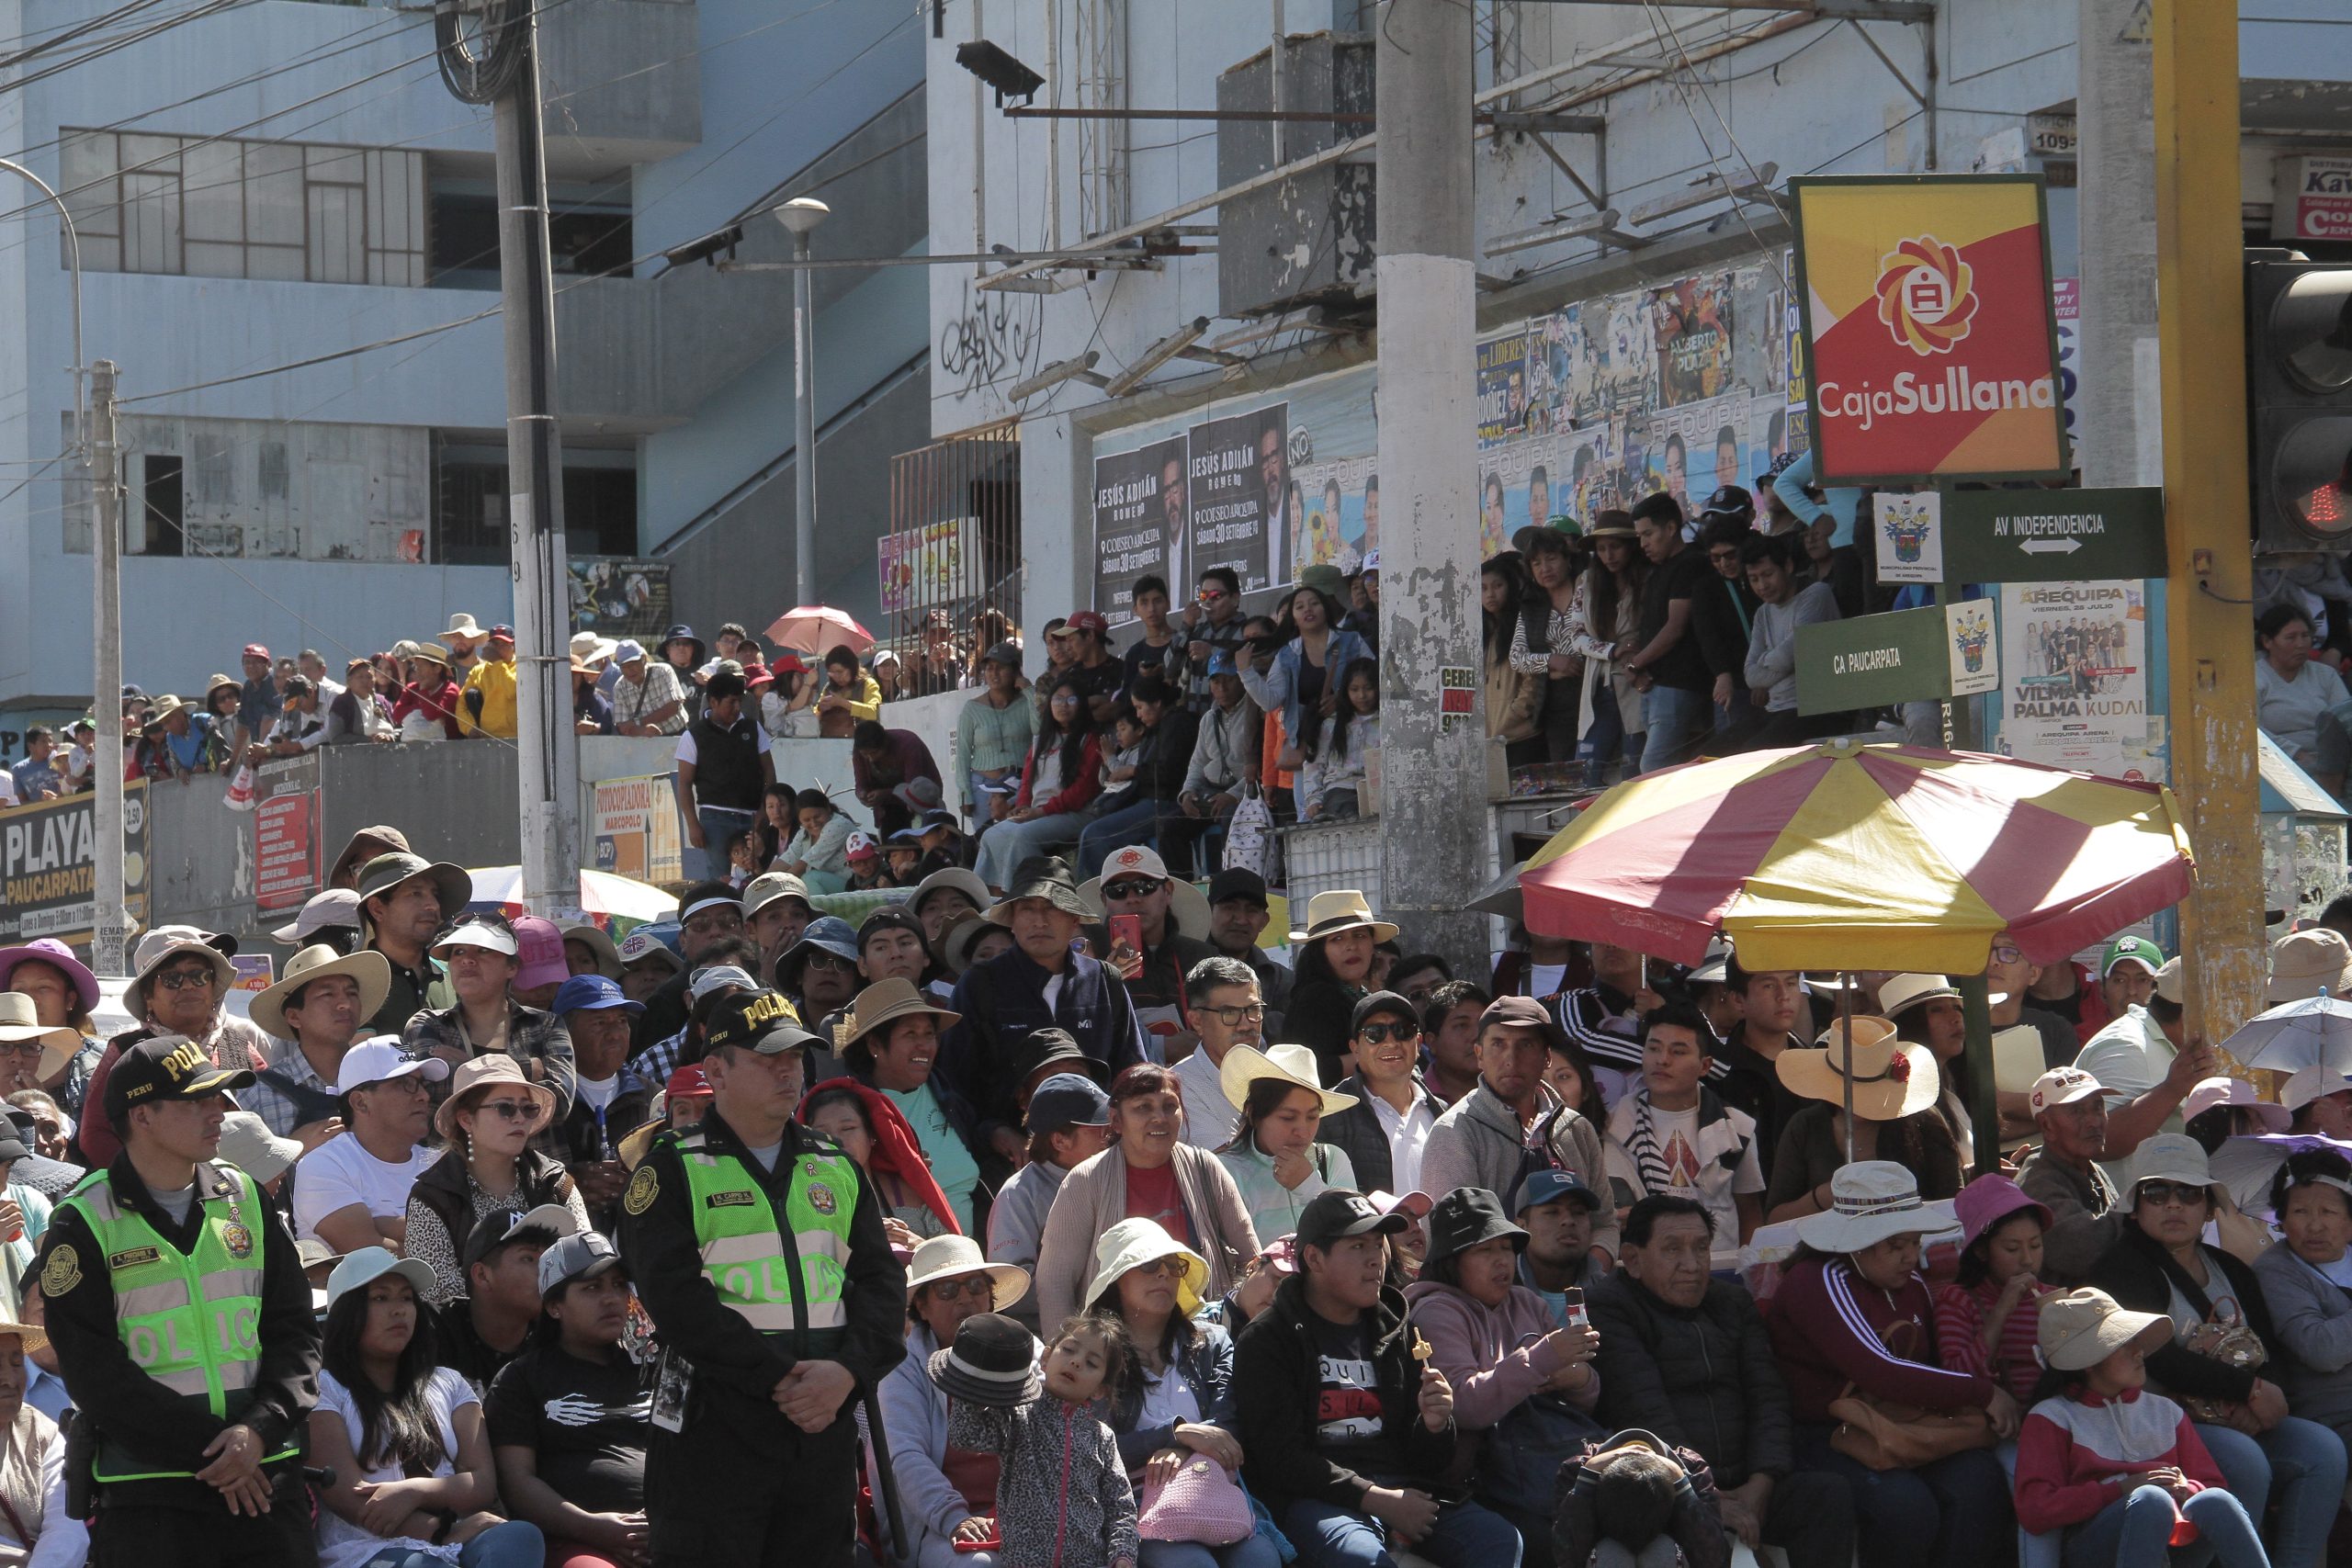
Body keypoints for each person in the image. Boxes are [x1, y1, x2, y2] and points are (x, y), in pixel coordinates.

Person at [618, 987, 909, 1568]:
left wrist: (846, 1373)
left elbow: (882, 1285)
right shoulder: (672, 1166)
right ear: (715, 1071)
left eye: (795, 1056)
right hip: (715, 1424)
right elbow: (675, 1300)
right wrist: (787, 1382)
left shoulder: (836, 1164)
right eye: (766, 1057)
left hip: (821, 1422)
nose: (787, 1070)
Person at [35, 1035, 320, 1563]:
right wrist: (219, 1451)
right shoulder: (82, 1222)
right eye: (199, 1101)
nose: (220, 1112)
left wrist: (256, 1433)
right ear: (141, 1116)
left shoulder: (247, 1197)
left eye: (219, 1097)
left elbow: (296, 1332)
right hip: (150, 1492)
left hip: (266, 1475)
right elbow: (94, 1372)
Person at [2084, 1134, 2345, 1568]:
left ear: (2208, 1206)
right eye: (2157, 1192)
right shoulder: (2121, 1268)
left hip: (2241, 1410)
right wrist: (2251, 1391)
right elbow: (2156, 1353)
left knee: (2323, 1450)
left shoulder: (2233, 1270)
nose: (2174, 1204)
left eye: (2189, 1193)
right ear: (2137, 1205)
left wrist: (2265, 1396)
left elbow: (2271, 1347)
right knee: (2245, 1461)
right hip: (2160, 1423)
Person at [1230, 1188, 1515, 1568]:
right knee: (1362, 1559)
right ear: (1314, 1258)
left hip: (1402, 1487)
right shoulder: (1268, 1338)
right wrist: (1376, 1499)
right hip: (1317, 1499)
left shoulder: (1396, 1325)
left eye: (1378, 1244)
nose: (1375, 1260)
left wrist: (1434, 1425)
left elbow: (1427, 1461)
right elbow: (1280, 1460)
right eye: (1357, 1246)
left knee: (1498, 1540)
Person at [1762, 1162, 2018, 1568]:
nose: (1911, 1257)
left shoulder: (1911, 1285)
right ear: (1857, 1242)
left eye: (1914, 1242)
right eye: (1895, 1244)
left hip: (1898, 1423)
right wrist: (1984, 1393)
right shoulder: (1818, 1280)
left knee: (1979, 1482)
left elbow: (1928, 1367)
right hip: (1824, 1434)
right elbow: (1880, 1371)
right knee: (1905, 1509)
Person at [1587, 1195, 1851, 1568]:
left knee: (1827, 1495)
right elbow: (1642, 1409)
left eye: (1701, 1248)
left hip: (1747, 1482)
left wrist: (1762, 1483)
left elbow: (1769, 1397)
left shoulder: (1732, 1303)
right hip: (1670, 1486)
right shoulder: (1610, 1307)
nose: (1692, 1265)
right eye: (1672, 1250)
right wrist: (1703, 1496)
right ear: (1632, 1259)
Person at [309, 1246, 547, 1568]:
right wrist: (439, 1532)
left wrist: (416, 1492)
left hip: (460, 1534)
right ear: (346, 1313)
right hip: (367, 1547)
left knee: (520, 1538)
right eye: (381, 1298)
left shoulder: (451, 1383)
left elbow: (481, 1482)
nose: (399, 1310)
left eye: (407, 1298)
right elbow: (348, 1495)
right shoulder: (325, 1389)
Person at [1404, 1186, 1600, 1567]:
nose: (1502, 1262)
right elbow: (1464, 1405)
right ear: (1452, 1260)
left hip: (1551, 1460)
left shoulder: (1527, 1302)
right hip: (1487, 1480)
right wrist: (1542, 1359)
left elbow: (1589, 1397)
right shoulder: (1436, 1311)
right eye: (1484, 1250)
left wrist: (1575, 1378)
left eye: (1507, 1249)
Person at [2013, 1284, 2268, 1568]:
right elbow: (2035, 1509)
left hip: (2173, 1539)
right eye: (2123, 1345)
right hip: (2094, 1546)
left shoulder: (2166, 1412)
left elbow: (2211, 1483)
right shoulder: (2052, 1417)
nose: (2139, 1352)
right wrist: (2122, 1489)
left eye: (2134, 1340)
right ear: (2087, 1362)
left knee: (2216, 1500)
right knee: (2150, 1499)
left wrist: (2186, 1488)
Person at [1082, 1218, 1277, 1568]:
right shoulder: (1094, 1354)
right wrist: (1173, 1432)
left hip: (1215, 1491)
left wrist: (1179, 1446)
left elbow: (1228, 1426)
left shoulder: (1212, 1341)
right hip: (1135, 1506)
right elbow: (1091, 1448)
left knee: (1261, 1560)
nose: (1165, 1275)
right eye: (1148, 1266)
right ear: (1116, 1281)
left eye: (1174, 1267)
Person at [938, 858, 1154, 1164]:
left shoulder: (1104, 980)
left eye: (1052, 907)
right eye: (1027, 908)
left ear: (1074, 919)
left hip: (1099, 1157)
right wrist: (991, 1131)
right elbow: (953, 1083)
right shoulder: (979, 984)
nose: (1039, 920)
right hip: (1006, 1163)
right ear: (1012, 919)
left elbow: (1131, 1074)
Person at [1032, 1065, 1258, 1326]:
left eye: (1169, 1106)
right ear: (1116, 1120)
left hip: (1208, 1336)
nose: (1159, 1117)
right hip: (1116, 1345)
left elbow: (1250, 1258)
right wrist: (1066, 1351)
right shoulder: (1085, 1182)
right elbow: (1055, 1284)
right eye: (1143, 1107)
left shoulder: (1205, 1167)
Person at [486, 1231, 655, 1568]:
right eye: (592, 1287)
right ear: (554, 1306)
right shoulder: (521, 1379)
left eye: (619, 1285)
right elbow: (517, 1483)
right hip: (577, 1540)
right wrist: (593, 1528)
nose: (610, 1298)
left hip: (671, 1532)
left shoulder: (656, 1368)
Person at [875, 1235, 1034, 1568]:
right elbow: (904, 1457)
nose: (965, 1298)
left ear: (989, 1297)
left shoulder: (1028, 1351)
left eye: (975, 1286)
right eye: (947, 1290)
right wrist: (955, 1518)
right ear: (922, 1306)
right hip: (941, 1525)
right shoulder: (903, 1369)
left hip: (1029, 1514)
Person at [1420, 995, 1619, 1258]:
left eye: (1525, 1045)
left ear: (1546, 1057)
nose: (1511, 1058)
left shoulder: (1577, 1129)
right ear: (1479, 1053)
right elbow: (1451, 1238)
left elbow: (1604, 1223)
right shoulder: (1455, 1131)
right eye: (1498, 1044)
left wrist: (1590, 1273)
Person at [939, 1311, 1139, 1568]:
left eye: (1092, 1363)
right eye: (1069, 1350)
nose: (1076, 1362)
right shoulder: (1017, 1414)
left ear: (1101, 1389)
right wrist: (970, 1386)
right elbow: (966, 1436)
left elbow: (1120, 1506)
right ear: (1045, 1358)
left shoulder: (1102, 1437)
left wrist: (1122, 1556)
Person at [78, 928, 274, 1168]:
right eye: (172, 979)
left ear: (213, 988)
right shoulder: (127, 1052)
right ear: (148, 997)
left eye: (199, 976)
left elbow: (271, 1119)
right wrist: (150, 1181)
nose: (188, 986)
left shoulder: (240, 1047)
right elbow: (95, 1134)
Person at [406, 1056, 591, 1306]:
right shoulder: (431, 1197)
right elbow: (438, 1291)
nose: (519, 1119)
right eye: (505, 1108)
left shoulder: (557, 1184)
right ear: (466, 1120)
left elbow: (588, 1263)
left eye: (528, 1109)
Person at [1761, 1015, 1962, 1223]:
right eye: (1853, 1091)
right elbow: (1775, 1220)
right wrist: (1822, 1197)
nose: (1859, 1103)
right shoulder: (1805, 1126)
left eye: (1868, 1091)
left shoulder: (1926, 1123)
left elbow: (1956, 1207)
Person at [838, 978, 994, 1235]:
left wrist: (995, 1132)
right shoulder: (851, 1113)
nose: (924, 1044)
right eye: (910, 1034)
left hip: (969, 1263)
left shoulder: (949, 1097)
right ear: (875, 1045)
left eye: (929, 1034)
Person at [1601, 1004, 1763, 1248]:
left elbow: (1749, 1211)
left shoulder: (1737, 1128)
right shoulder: (1613, 1125)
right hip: (1645, 1267)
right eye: (1653, 1048)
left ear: (1705, 1066)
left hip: (1720, 1269)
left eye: (1678, 1052)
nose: (1662, 1060)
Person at [404, 917, 578, 1122]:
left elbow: (557, 1103)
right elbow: (432, 1094)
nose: (467, 960)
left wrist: (465, 1066)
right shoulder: (426, 1024)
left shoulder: (546, 1025)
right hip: (454, 1153)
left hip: (529, 1153)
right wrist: (527, 1069)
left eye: (483, 950)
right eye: (458, 952)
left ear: (511, 968)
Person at [295, 1036, 449, 1252]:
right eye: (406, 1084)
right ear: (360, 1102)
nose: (424, 1096)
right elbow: (374, 1258)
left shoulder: (440, 1165)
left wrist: (383, 1224)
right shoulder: (323, 1165)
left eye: (422, 1084)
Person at [990, 1075, 1114, 1331]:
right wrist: (1101, 1282)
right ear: (1060, 1141)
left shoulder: (1116, 1175)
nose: (1110, 1135)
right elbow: (1009, 1289)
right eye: (1098, 1129)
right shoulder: (1018, 1194)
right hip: (1052, 1342)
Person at [2252, 1146, 2352, 1460]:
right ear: (2281, 1220)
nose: (2315, 1226)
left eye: (2328, 1212)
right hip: (2332, 1416)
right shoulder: (2276, 1270)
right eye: (2300, 1212)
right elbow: (2322, 1350)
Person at [2070, 957, 2214, 1166]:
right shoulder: (2125, 1046)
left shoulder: (2167, 1043)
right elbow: (2097, 1141)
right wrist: (2171, 1090)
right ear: (2190, 1015)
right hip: (2125, 1197)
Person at [243, 942, 390, 1148]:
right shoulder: (258, 1093)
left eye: (351, 993)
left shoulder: (384, 1079)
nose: (345, 1004)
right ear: (294, 1017)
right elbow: (238, 1173)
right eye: (327, 994)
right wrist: (289, 1150)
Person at [1216, 1043, 1360, 1244]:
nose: (1302, 1131)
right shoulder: (1224, 1171)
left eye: (1312, 1117)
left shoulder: (1331, 1159)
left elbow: (1355, 1236)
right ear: (1252, 1114)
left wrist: (1310, 1187)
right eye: (1287, 1117)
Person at [1932, 1174, 2054, 1406]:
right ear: (1981, 1251)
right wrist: (2001, 1312)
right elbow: (1956, 1377)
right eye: (2012, 1248)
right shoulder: (1958, 1302)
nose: (2028, 1260)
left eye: (2036, 1245)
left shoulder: (2053, 1297)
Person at [976, 678, 1106, 891]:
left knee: (1022, 835)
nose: (1063, 705)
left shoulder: (1090, 740)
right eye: (1058, 699)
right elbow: (1027, 780)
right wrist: (1023, 805)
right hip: (1037, 811)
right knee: (992, 834)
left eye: (1071, 699)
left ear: (1081, 704)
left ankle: (1024, 894)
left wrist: (1040, 812)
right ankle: (985, 896)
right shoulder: (1041, 740)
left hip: (1075, 814)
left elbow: (1082, 791)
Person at [1618, 497, 1714, 773]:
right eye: (1639, 536)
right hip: (1656, 685)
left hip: (1679, 683)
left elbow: (1674, 628)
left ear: (1671, 528)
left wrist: (1636, 664)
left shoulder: (1690, 564)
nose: (1643, 544)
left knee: (1654, 767)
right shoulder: (1658, 571)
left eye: (1648, 534)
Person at [550, 976, 652, 1231]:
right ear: (565, 1032)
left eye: (621, 1022)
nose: (615, 1034)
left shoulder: (651, 1096)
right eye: (600, 1023)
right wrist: (569, 1183)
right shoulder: (546, 1097)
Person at [1317, 992, 1441, 1198]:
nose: (1391, 1042)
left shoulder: (1444, 1114)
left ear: (1418, 1043)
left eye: (1403, 1031)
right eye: (1375, 1033)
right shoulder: (1329, 1115)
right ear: (1355, 1048)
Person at [2016, 1066, 2128, 1286]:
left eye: (2098, 1107)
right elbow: (2081, 1251)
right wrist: (2140, 1210)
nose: (2094, 1121)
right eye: (2076, 1111)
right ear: (2046, 1125)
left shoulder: (2090, 1168)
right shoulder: (2038, 1183)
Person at [1732, 534, 1842, 750]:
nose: (1762, 585)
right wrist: (1779, 663)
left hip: (1815, 709)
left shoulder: (1816, 594)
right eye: (1754, 579)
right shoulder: (1763, 613)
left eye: (1768, 574)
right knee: (1709, 754)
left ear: (1788, 566)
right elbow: (1750, 676)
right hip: (1775, 710)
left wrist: (1765, 662)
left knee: (1751, 754)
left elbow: (1788, 656)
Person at [1159, 651, 1261, 880]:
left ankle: (1232, 884)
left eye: (1229, 679)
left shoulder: (1256, 712)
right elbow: (1197, 762)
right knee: (1170, 827)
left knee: (1232, 819)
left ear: (1241, 680)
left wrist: (1233, 795)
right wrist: (1187, 793)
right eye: (1216, 681)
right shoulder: (1208, 718)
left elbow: (1262, 766)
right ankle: (1181, 889)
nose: (1222, 688)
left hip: (1245, 794)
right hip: (1211, 792)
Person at [676, 671, 776, 885]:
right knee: (720, 881)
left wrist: (763, 810)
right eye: (731, 702)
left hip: (752, 817)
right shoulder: (693, 735)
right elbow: (684, 784)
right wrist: (693, 824)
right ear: (713, 701)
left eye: (739, 701)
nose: (737, 708)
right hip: (714, 820)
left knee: (758, 877)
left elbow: (769, 772)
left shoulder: (753, 727)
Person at [1283, 892, 1393, 1084]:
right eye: (1337, 939)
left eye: (1359, 935)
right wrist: (1376, 1055)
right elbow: (1314, 1070)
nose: (1351, 946)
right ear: (1320, 951)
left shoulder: (1363, 995)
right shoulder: (1316, 997)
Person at [357, 852, 472, 1036]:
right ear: (377, 908)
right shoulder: (356, 984)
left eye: (435, 895)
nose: (433, 905)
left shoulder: (452, 975)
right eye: (416, 893)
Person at [2256, 604, 2348, 771]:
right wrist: (2297, 754)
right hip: (2279, 766)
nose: (2301, 644)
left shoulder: (2325, 674)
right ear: (2267, 641)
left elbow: (2346, 719)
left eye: (2305, 636)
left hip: (2333, 763)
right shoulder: (2254, 678)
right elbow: (2253, 732)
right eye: (2291, 637)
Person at [1480, 552, 1546, 771]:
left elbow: (1533, 678)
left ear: (1510, 586)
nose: (1491, 594)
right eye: (1483, 588)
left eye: (1497, 585)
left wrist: (1515, 713)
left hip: (1522, 736)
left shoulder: (1522, 625)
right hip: (1491, 741)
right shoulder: (1479, 634)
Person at [1203, 871, 1294, 1026]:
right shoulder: (1183, 968)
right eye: (1230, 908)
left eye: (1252, 910)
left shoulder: (1280, 980)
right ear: (1207, 912)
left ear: (1264, 921)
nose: (1241, 920)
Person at [958, 642, 1038, 818]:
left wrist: (1029, 690)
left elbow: (1039, 728)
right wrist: (964, 796)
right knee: (985, 836)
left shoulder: (1026, 702)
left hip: (1020, 783)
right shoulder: (972, 708)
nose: (994, 674)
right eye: (989, 668)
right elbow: (963, 754)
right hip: (983, 785)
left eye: (1000, 668)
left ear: (1015, 671)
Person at [1512, 1169, 1604, 1320]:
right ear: (1521, 1226)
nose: (1568, 1220)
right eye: (1552, 1212)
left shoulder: (1608, 1292)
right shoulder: (1498, 1292)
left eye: (1578, 1212)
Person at [610, 643, 687, 738]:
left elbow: (672, 707)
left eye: (632, 665)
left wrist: (637, 722)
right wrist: (641, 731)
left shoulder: (662, 672)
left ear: (644, 660)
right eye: (624, 667)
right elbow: (622, 726)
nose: (629, 670)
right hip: (642, 741)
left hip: (677, 735)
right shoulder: (619, 687)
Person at [813, 646, 884, 739]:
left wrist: (843, 703)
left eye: (840, 672)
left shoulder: (867, 684)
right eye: (832, 673)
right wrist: (820, 709)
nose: (837, 677)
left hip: (861, 741)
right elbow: (815, 715)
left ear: (852, 668)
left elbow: (875, 713)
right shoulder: (829, 688)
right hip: (829, 741)